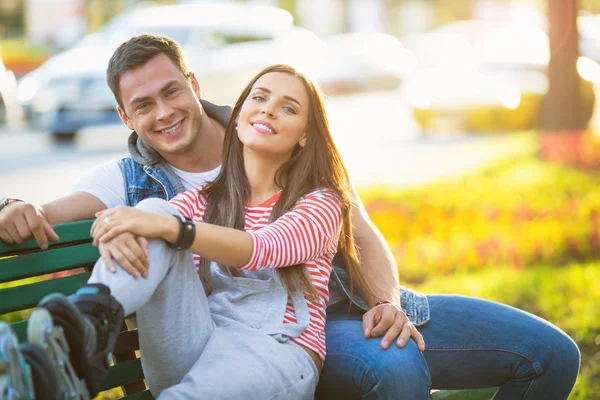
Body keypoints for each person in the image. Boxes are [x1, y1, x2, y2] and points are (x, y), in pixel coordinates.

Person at [0, 34, 580, 399]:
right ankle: (78, 335)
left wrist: (387, 301)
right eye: (144, 105)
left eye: (172, 92)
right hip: (223, 337)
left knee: (550, 356)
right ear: (125, 116)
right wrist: (95, 217)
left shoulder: (290, 157)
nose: (164, 112)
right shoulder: (134, 179)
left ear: (194, 86)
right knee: (145, 209)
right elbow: (60, 213)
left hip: (333, 312)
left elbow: (331, 233)